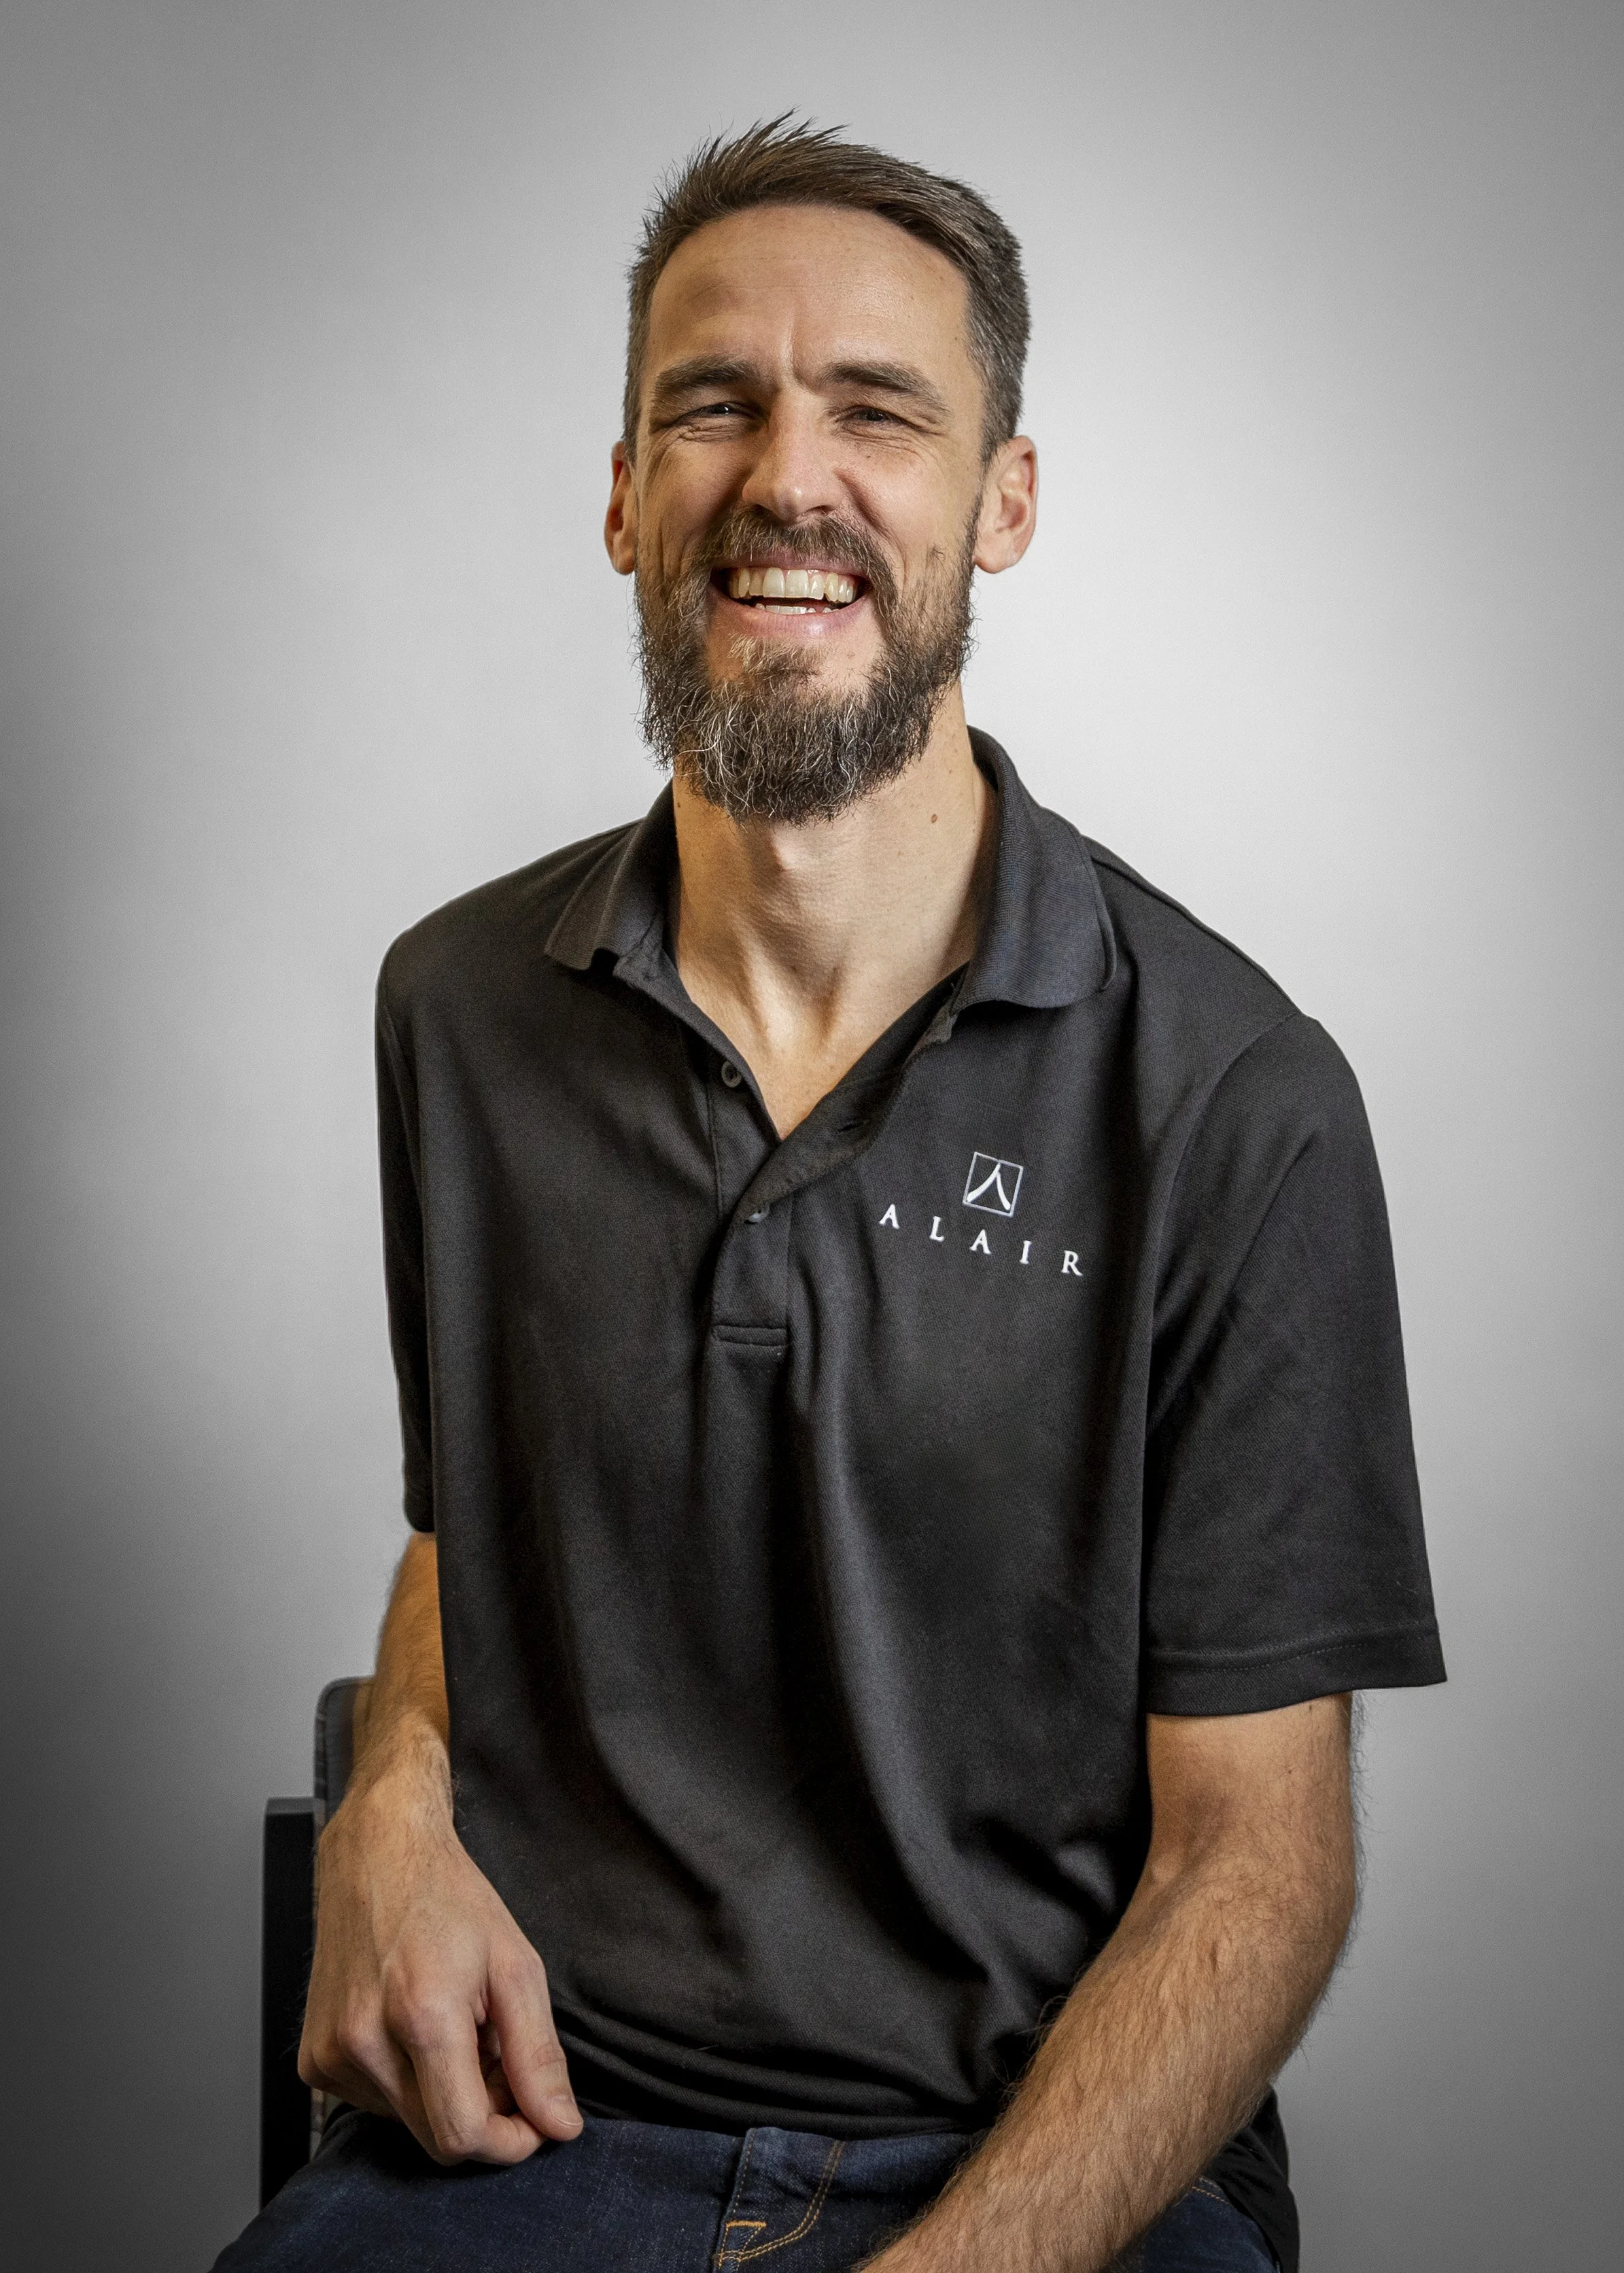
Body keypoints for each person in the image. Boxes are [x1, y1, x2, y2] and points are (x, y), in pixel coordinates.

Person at [216, 118, 1444, 2273]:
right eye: (713, 404)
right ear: (620, 496)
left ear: (1002, 503)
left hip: (1044, 2166)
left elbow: (1258, 1864)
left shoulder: (1239, 1101)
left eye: (878, 408)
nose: (789, 476)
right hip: (545, 2134)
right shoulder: (461, 1014)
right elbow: (472, 1531)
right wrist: (389, 1808)